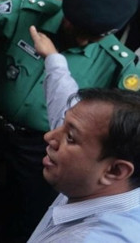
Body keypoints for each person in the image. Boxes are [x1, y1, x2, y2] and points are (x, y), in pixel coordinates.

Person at [0, 0, 140, 241]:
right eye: (78, 29)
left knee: (25, 210)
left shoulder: (118, 62)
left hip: (41, 148)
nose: (82, 41)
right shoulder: (30, 12)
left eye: (92, 37)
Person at [25, 27, 140, 242]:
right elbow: (67, 105)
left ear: (115, 170)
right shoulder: (96, 178)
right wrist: (53, 59)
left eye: (70, 138)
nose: (49, 137)